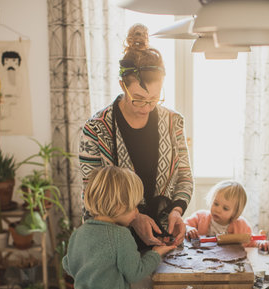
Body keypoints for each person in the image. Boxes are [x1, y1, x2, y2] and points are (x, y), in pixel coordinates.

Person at [79, 24, 193, 250]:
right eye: (139, 98)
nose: (147, 107)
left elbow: (184, 177)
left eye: (154, 98)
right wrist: (134, 218)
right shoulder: (95, 129)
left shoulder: (173, 122)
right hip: (113, 243)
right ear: (123, 85)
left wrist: (177, 211)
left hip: (164, 239)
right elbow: (92, 195)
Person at [62, 166, 176, 289]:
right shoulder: (121, 235)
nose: (138, 212)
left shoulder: (79, 232)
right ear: (118, 206)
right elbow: (135, 273)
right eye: (135, 207)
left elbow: (68, 264)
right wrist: (156, 254)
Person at [184, 180, 269, 251]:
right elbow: (182, 226)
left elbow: (251, 240)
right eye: (216, 203)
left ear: (235, 213)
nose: (218, 209)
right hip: (202, 258)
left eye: (225, 208)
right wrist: (188, 229)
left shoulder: (241, 225)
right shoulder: (200, 217)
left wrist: (261, 243)